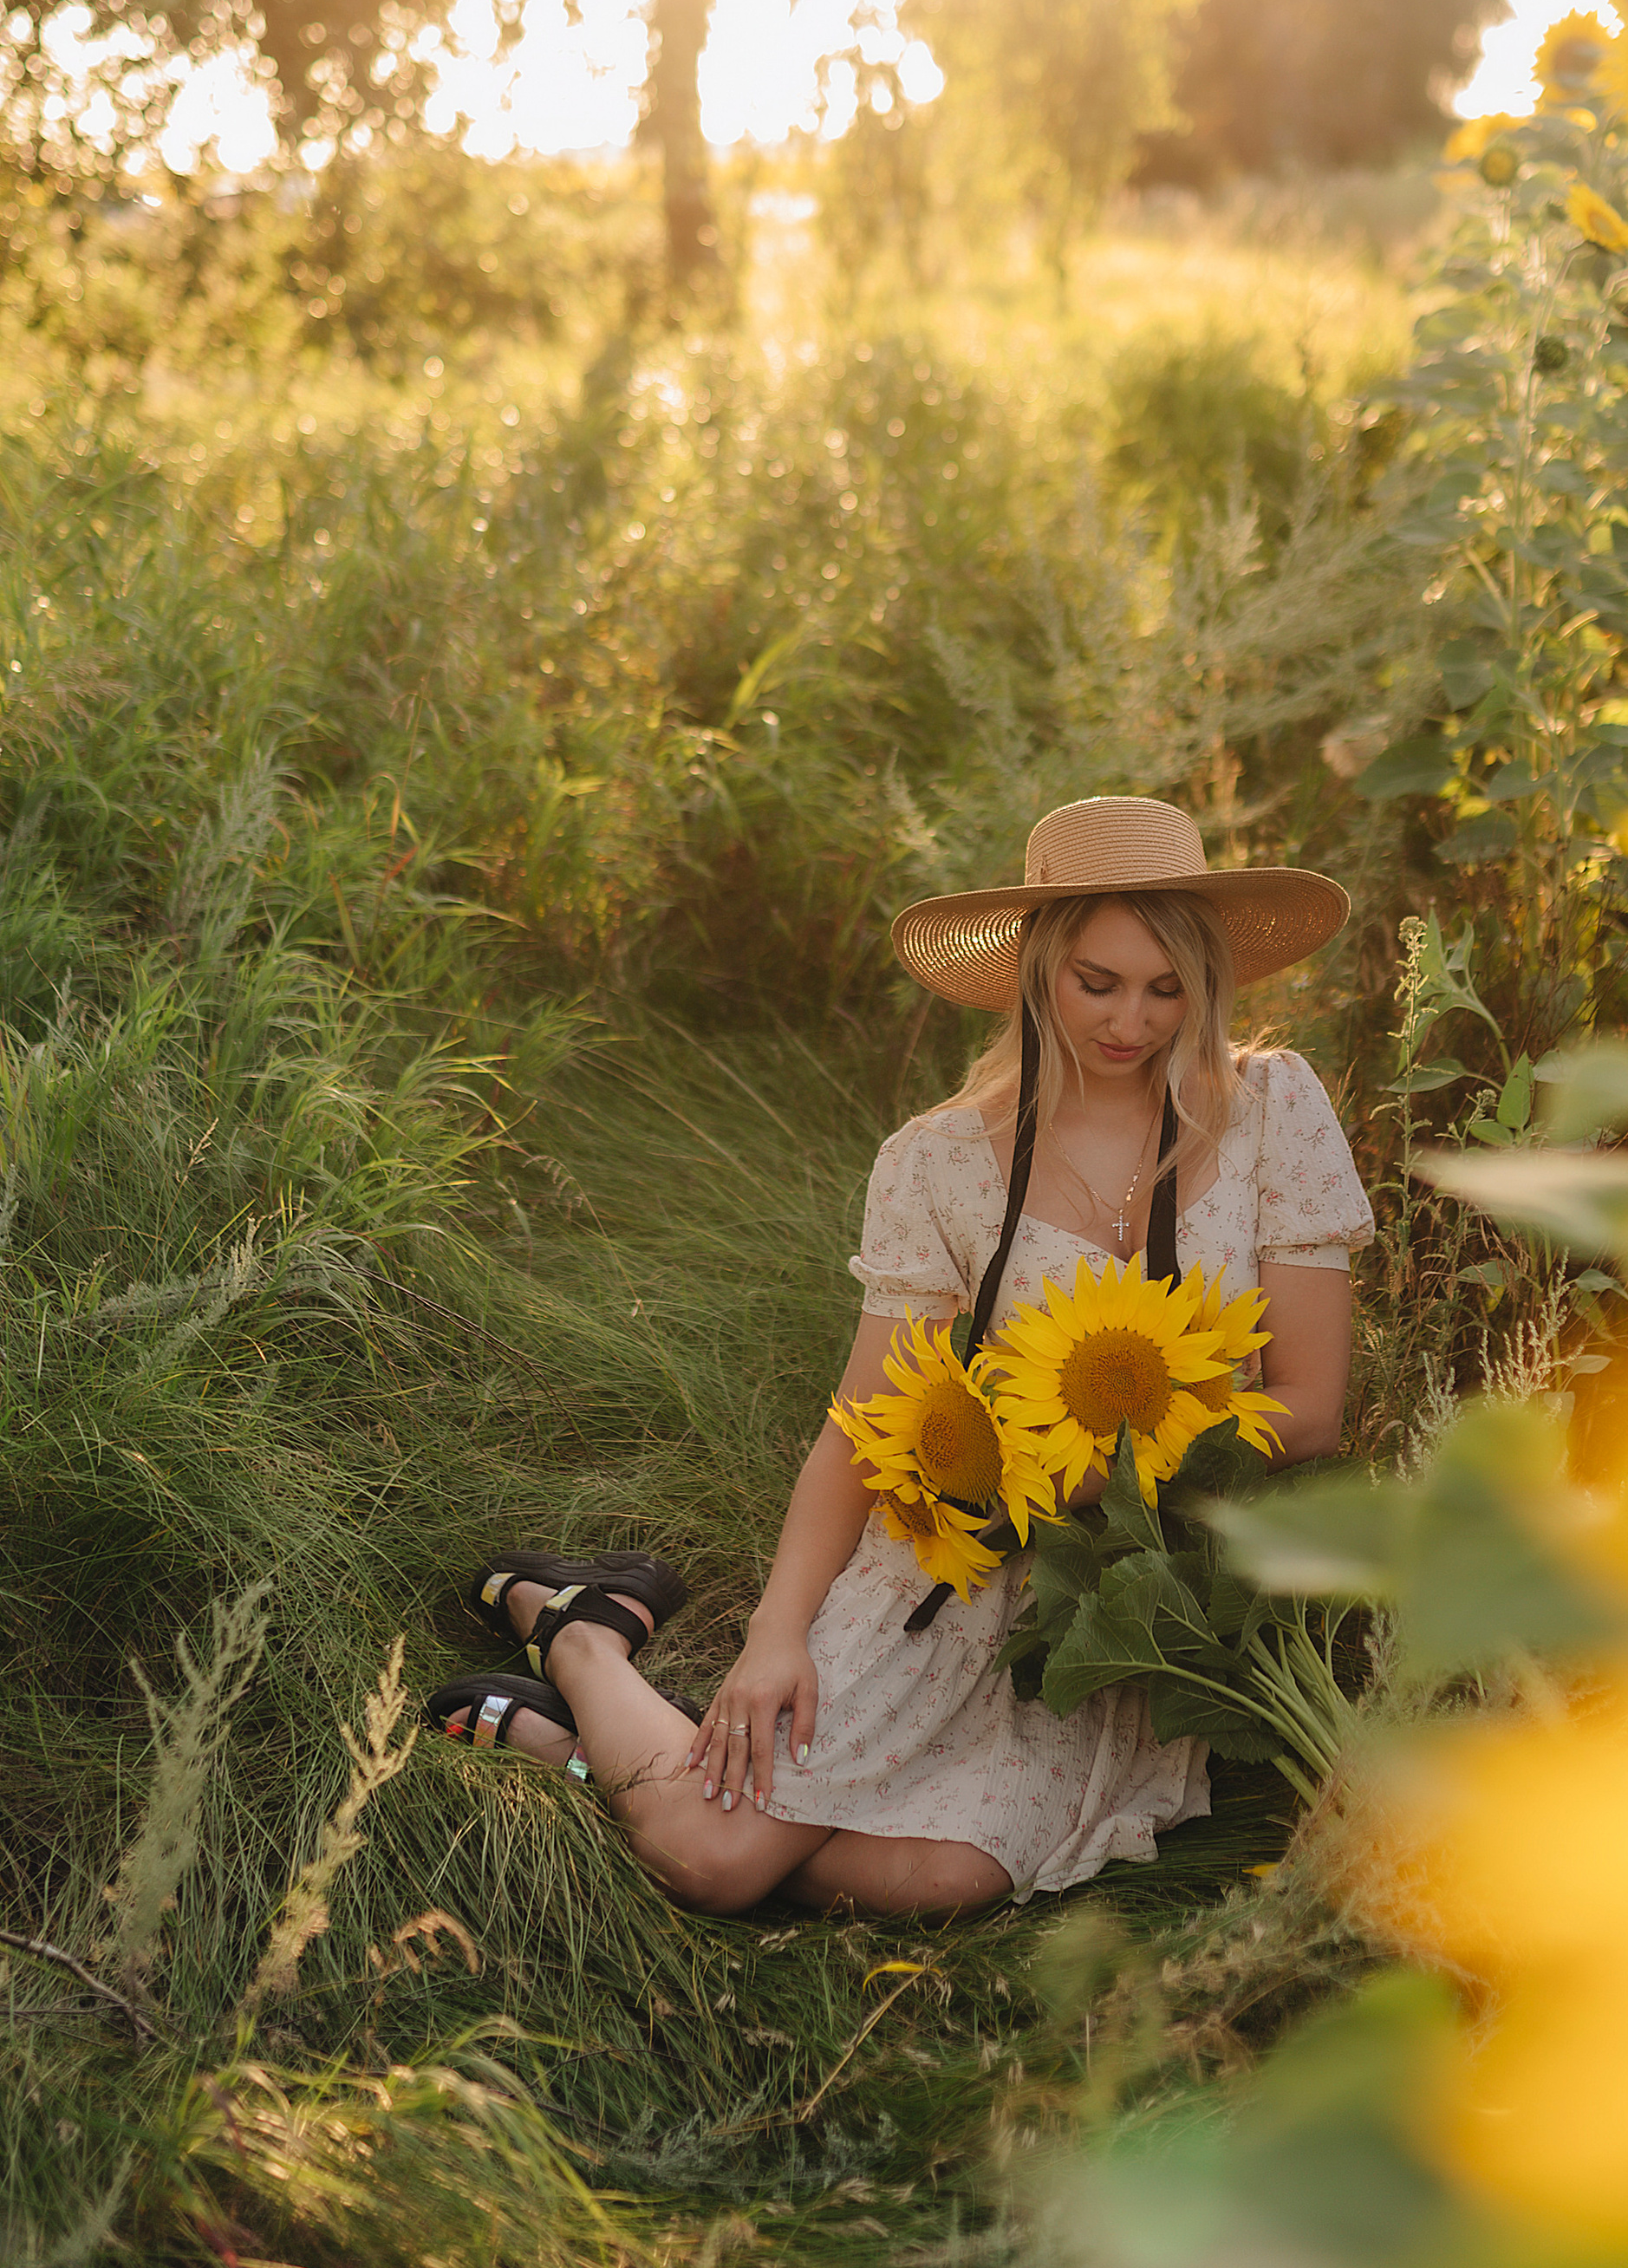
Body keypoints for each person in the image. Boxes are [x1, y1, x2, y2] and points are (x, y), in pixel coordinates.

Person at [427, 793, 1373, 1913]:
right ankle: (589, 1640)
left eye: (1167, 986)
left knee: (939, 1876)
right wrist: (778, 1635)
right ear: (1038, 969)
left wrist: (1109, 1479)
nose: (1133, 1019)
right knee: (715, 1864)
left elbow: (1311, 1407)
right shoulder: (941, 1161)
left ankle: (575, 1747)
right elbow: (863, 1417)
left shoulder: (1272, 1106)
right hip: (954, 1566)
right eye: (1098, 981)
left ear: (1207, 980)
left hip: (1129, 1599)